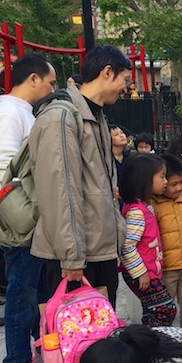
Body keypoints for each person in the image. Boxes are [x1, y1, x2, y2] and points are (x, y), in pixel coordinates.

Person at [29, 44, 131, 308]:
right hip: (76, 258)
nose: (127, 88)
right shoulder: (60, 117)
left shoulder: (95, 115)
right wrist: (71, 257)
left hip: (96, 249)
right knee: (79, 340)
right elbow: (60, 191)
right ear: (107, 72)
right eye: (125, 79)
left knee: (98, 337)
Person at [0, 53, 56, 363]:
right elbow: (3, 166)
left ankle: (28, 349)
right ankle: (17, 362)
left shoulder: (19, 111)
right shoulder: (9, 112)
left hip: (26, 212)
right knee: (22, 288)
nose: (50, 88)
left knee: (30, 285)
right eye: (49, 82)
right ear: (32, 79)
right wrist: (19, 210)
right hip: (18, 216)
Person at [119, 153, 177, 327]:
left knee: (153, 310)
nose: (165, 181)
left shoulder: (144, 206)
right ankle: (152, 341)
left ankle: (149, 342)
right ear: (144, 179)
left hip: (150, 272)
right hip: (142, 273)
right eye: (161, 177)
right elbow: (128, 246)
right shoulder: (137, 212)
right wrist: (141, 273)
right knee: (165, 310)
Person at [152, 154, 182, 330]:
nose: (179, 187)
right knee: (165, 310)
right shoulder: (153, 204)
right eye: (173, 184)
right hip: (166, 270)